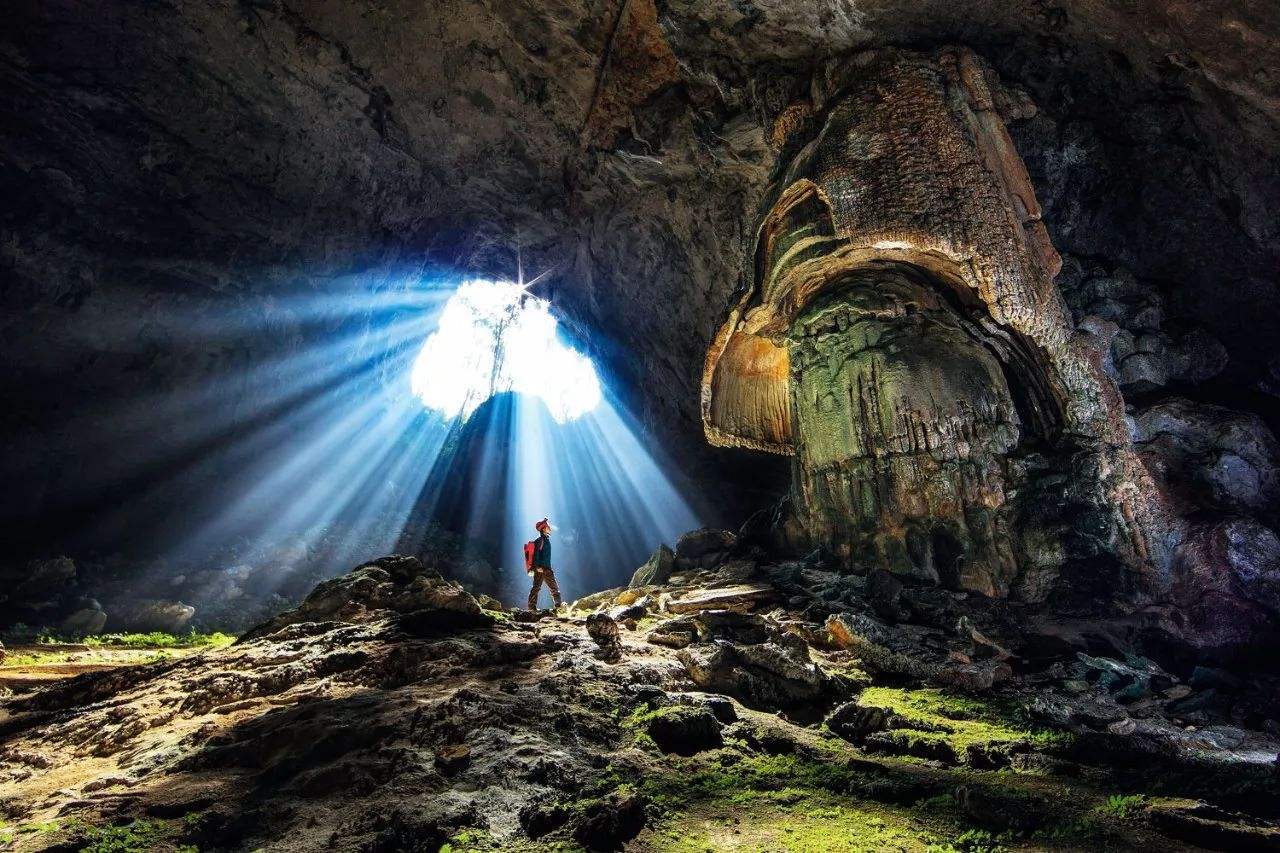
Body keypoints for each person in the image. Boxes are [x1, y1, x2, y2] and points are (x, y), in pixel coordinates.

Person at [527, 517, 562, 610]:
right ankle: (532, 607)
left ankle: (557, 605)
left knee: (548, 586)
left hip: (546, 568)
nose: (549, 528)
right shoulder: (540, 540)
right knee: (540, 587)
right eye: (548, 527)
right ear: (543, 529)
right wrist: (537, 566)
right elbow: (536, 554)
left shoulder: (546, 540)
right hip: (541, 568)